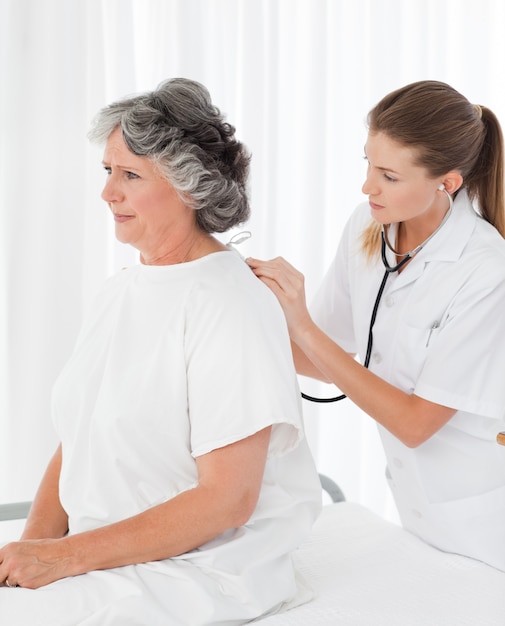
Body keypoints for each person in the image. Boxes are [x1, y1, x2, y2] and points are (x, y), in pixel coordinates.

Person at [0, 78, 322, 625]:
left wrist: (66, 556)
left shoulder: (229, 302)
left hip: (199, 566)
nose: (107, 192)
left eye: (130, 175)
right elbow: (79, 438)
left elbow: (228, 500)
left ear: (190, 187)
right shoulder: (121, 290)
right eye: (108, 171)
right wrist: (29, 552)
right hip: (105, 550)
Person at [247, 80, 505, 572]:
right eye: (367, 162)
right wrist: (244, 315)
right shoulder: (366, 228)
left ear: (446, 183)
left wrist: (300, 324)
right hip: (420, 516)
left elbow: (414, 424)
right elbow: (326, 357)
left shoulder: (487, 273)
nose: (368, 186)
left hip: (487, 521)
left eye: (388, 175)